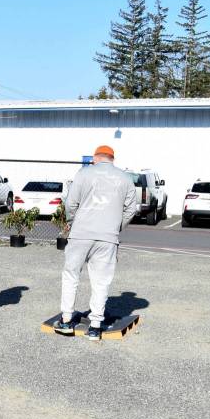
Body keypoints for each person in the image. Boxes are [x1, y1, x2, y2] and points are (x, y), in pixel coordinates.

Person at [54, 145, 137, 341]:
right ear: (112, 158)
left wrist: (72, 223)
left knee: (71, 274)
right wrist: (116, 227)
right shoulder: (125, 178)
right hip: (107, 237)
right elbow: (131, 209)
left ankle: (66, 321)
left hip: (81, 233)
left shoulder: (84, 173)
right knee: (101, 281)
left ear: (95, 157)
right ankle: (95, 326)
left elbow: (71, 203)